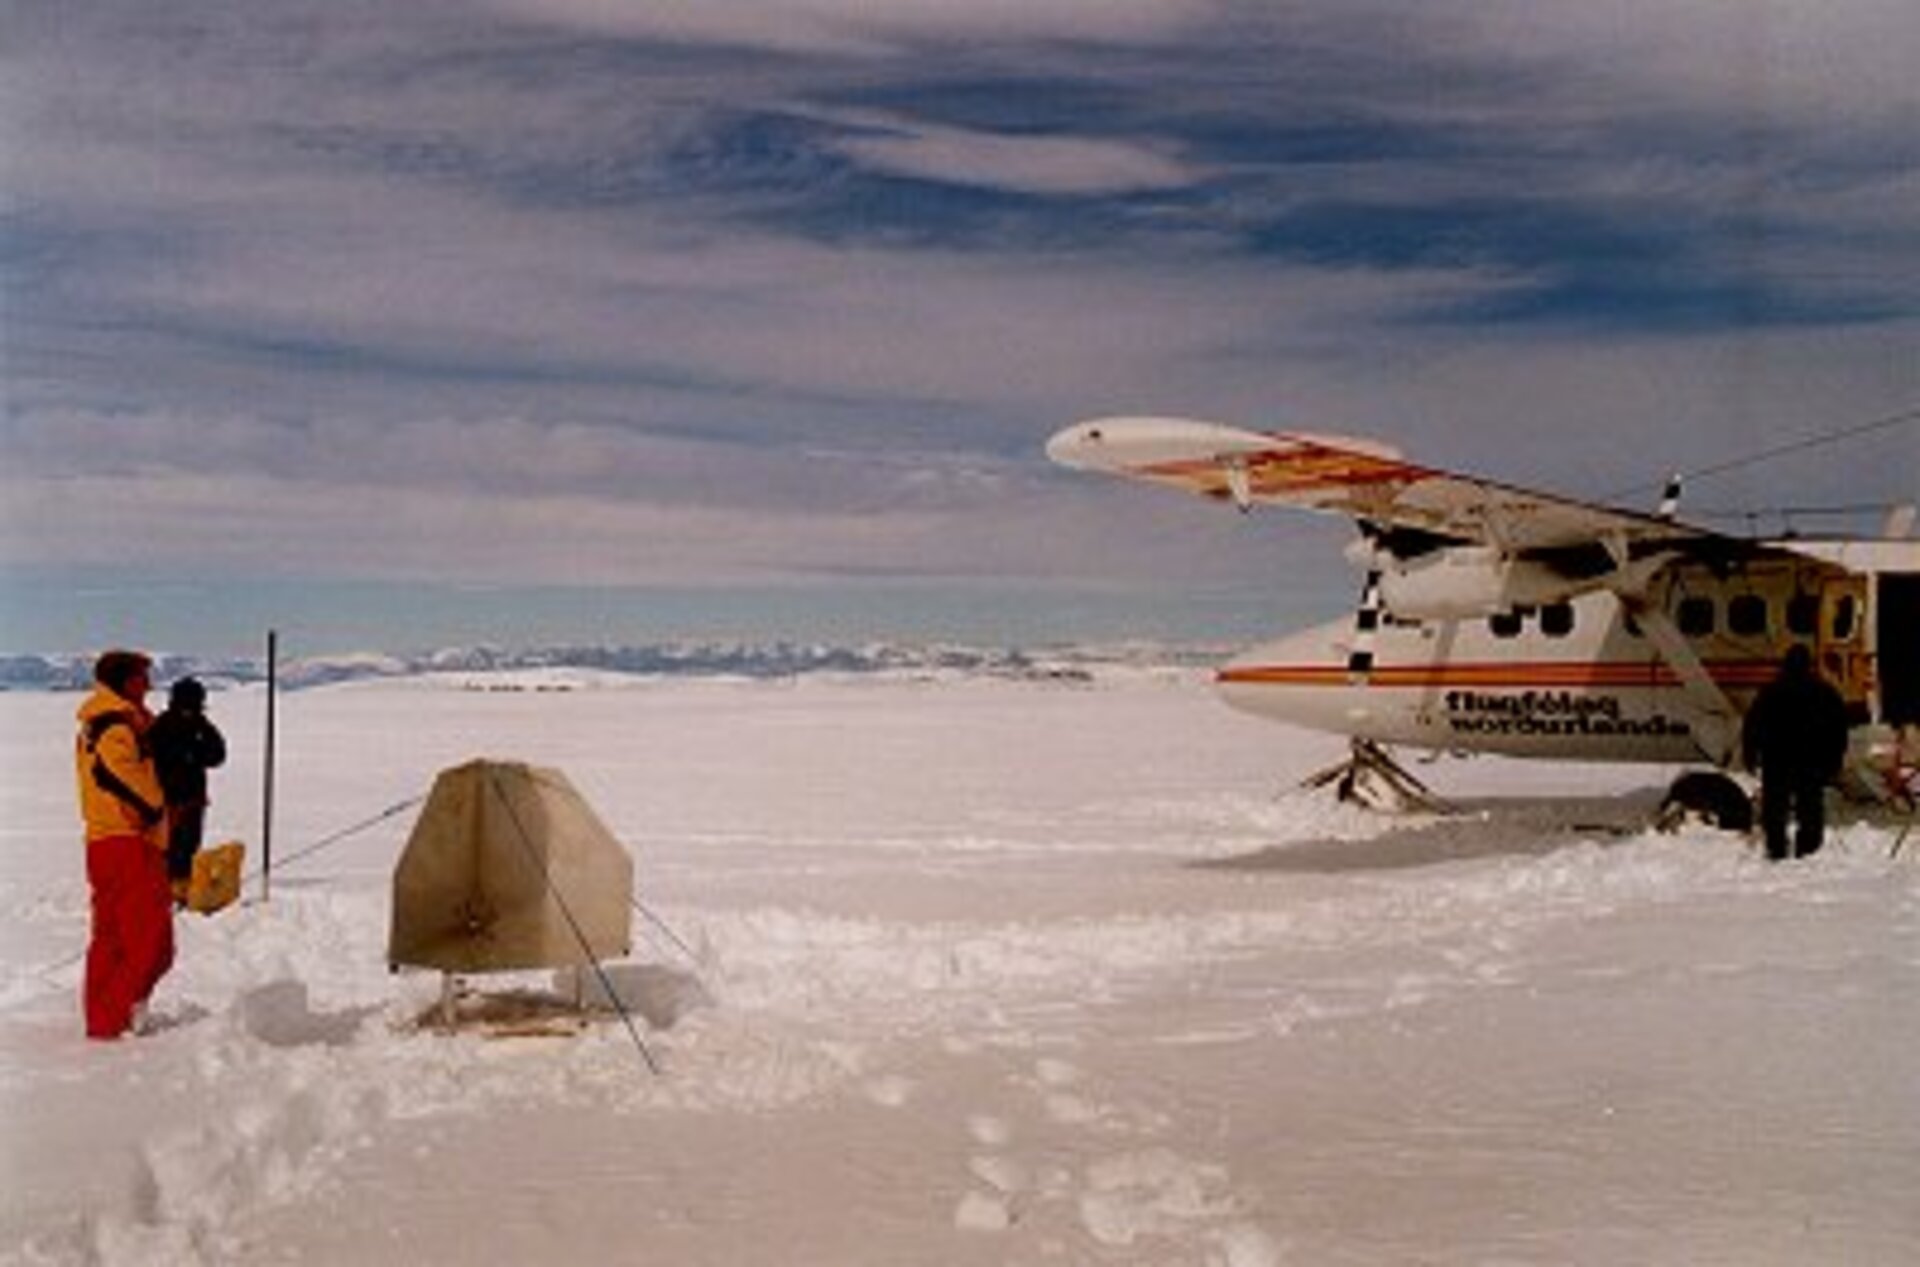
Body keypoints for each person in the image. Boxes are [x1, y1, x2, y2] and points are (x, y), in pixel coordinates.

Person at [74, 649, 175, 1039]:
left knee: (112, 938)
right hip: (129, 843)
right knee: (151, 942)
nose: (148, 684)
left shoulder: (99, 723)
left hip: (104, 843)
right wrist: (155, 808)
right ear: (125, 681)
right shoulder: (116, 728)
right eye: (141, 677)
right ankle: (117, 1016)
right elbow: (128, 781)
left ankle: (104, 1018)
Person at [1741, 644, 1852, 861]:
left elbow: (1752, 726)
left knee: (1775, 806)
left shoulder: (1770, 692)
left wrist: (1751, 755)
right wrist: (1834, 760)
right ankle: (1808, 848)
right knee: (1810, 806)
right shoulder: (1825, 693)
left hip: (1777, 760)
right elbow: (1838, 730)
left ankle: (1777, 847)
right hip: (1811, 761)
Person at [150, 676, 227, 903]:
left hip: (193, 799)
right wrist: (191, 754)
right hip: (168, 801)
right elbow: (161, 759)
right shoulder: (162, 727)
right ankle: (167, 892)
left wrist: (198, 739)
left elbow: (217, 756)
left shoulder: (199, 725)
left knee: (190, 846)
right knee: (172, 848)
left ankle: (181, 889)